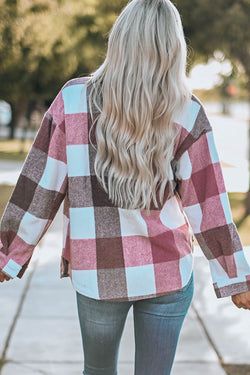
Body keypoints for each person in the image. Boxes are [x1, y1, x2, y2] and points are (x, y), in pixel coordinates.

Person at [1, 0, 250, 374]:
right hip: (168, 271)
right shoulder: (187, 110)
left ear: (119, 39)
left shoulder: (72, 100)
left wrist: (9, 252)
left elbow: (40, 187)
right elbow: (208, 205)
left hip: (98, 273)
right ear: (173, 47)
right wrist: (235, 277)